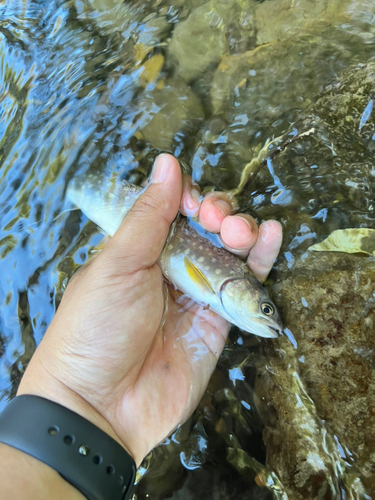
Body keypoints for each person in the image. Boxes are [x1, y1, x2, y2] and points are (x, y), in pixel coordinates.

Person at [0, 154, 282, 499]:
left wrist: (76, 403)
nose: (267, 318)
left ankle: (56, 175)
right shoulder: (222, 291)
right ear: (242, 290)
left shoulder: (223, 298)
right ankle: (61, 177)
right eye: (264, 308)